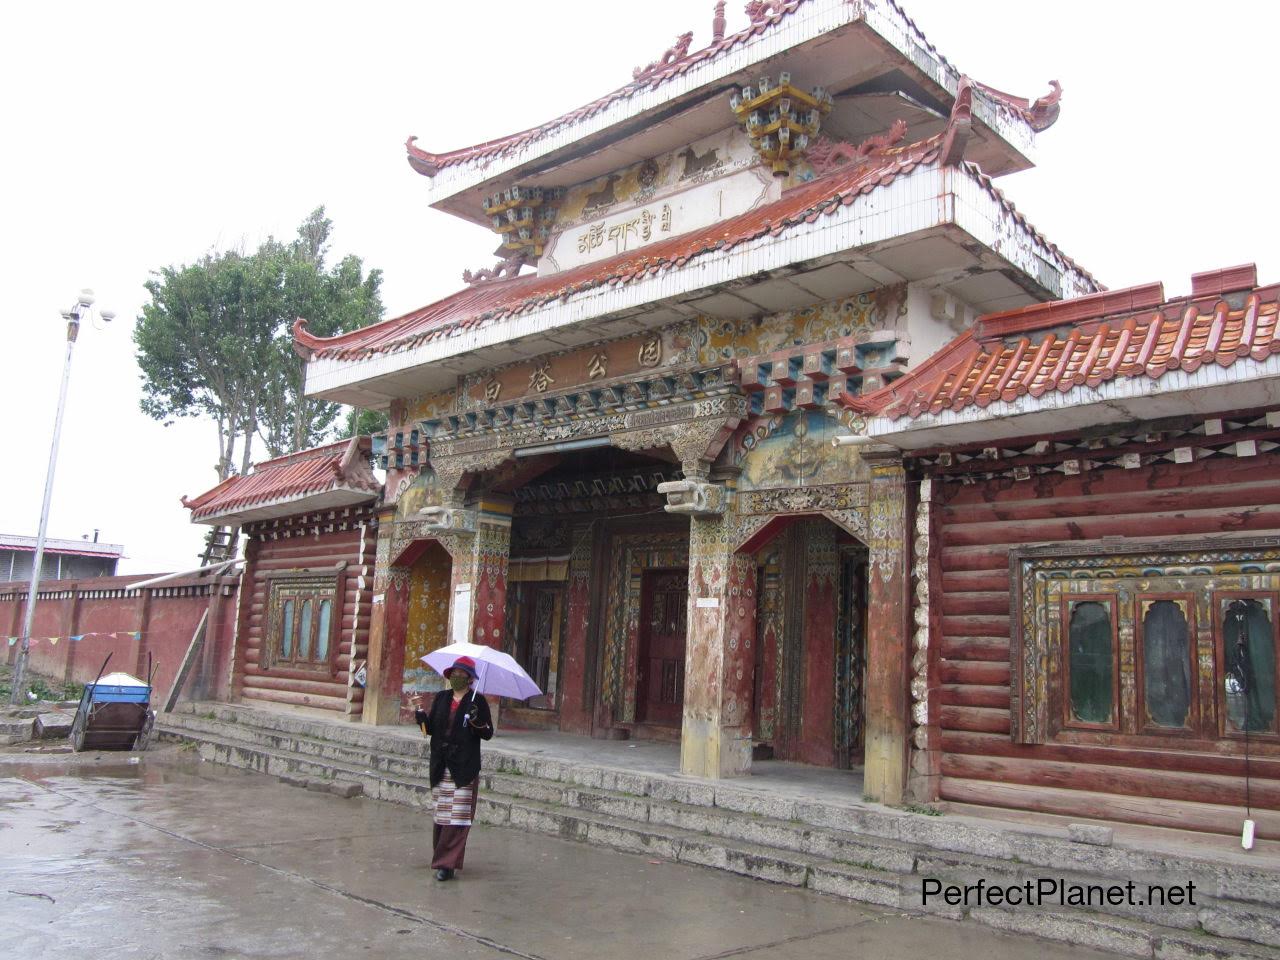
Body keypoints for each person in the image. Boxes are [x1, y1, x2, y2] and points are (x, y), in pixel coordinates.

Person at [413, 655, 493, 881]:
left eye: (462, 675)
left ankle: (446, 864)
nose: (457, 678)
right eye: (454, 674)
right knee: (441, 814)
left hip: (464, 766)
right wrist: (420, 718)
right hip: (441, 763)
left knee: (457, 817)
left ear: (470, 679)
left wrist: (476, 723)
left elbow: (487, 733)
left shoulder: (478, 702)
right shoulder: (441, 698)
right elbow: (429, 730)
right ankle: (441, 857)